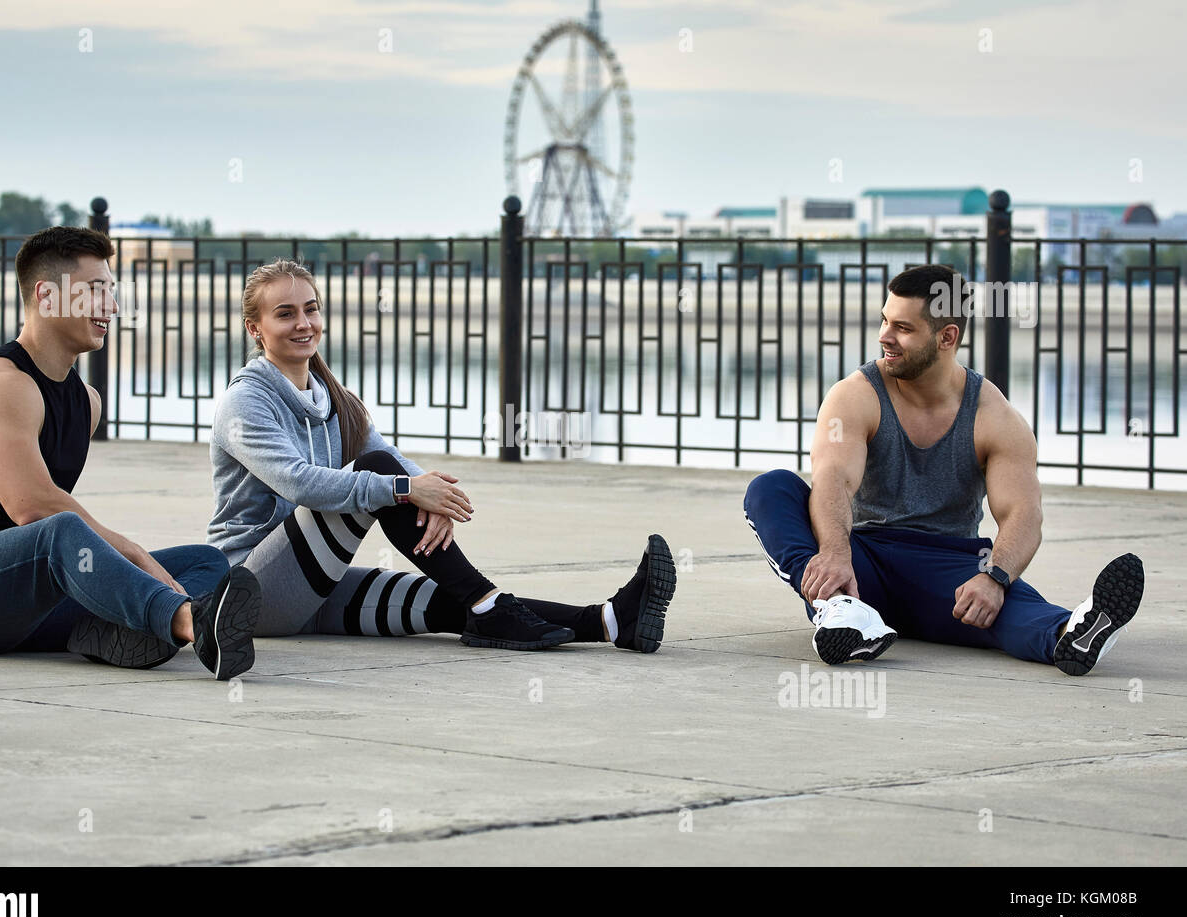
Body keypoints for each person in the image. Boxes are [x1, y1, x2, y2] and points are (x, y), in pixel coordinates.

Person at [203, 258, 676, 653]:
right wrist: (409, 489)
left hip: (315, 588)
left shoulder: (333, 396)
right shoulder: (245, 401)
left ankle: (611, 622)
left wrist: (428, 497)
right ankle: (489, 605)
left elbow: (385, 452)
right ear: (256, 328)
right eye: (285, 314)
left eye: (311, 309)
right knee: (383, 478)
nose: (304, 324)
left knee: (456, 601)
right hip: (251, 590)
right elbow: (300, 483)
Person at [742, 264, 1144, 676]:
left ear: (946, 336)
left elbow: (1023, 513)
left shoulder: (994, 416)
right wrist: (835, 553)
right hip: (863, 562)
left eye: (902, 327)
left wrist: (995, 579)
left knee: (1002, 605)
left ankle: (1073, 631)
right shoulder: (855, 396)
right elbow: (834, 480)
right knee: (772, 489)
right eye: (884, 320)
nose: (884, 336)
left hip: (948, 569)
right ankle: (841, 610)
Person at [0, 226, 261, 681]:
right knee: (60, 529)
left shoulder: (87, 403)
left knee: (205, 561)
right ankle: (189, 622)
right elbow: (33, 509)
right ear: (48, 296)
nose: (112, 307)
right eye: (96, 292)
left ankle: (109, 631)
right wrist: (133, 553)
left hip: (39, 608)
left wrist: (132, 564)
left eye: (111, 293)